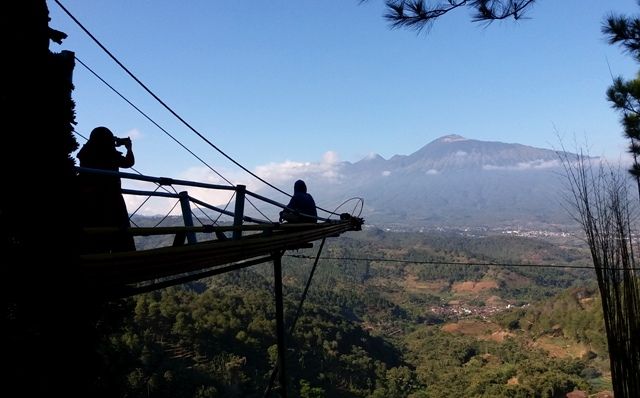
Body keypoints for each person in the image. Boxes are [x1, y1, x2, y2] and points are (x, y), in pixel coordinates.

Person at [77, 126, 136, 253]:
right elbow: (129, 162)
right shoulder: (110, 154)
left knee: (95, 239)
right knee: (120, 237)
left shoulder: (86, 154)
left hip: (88, 201)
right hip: (112, 199)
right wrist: (128, 148)